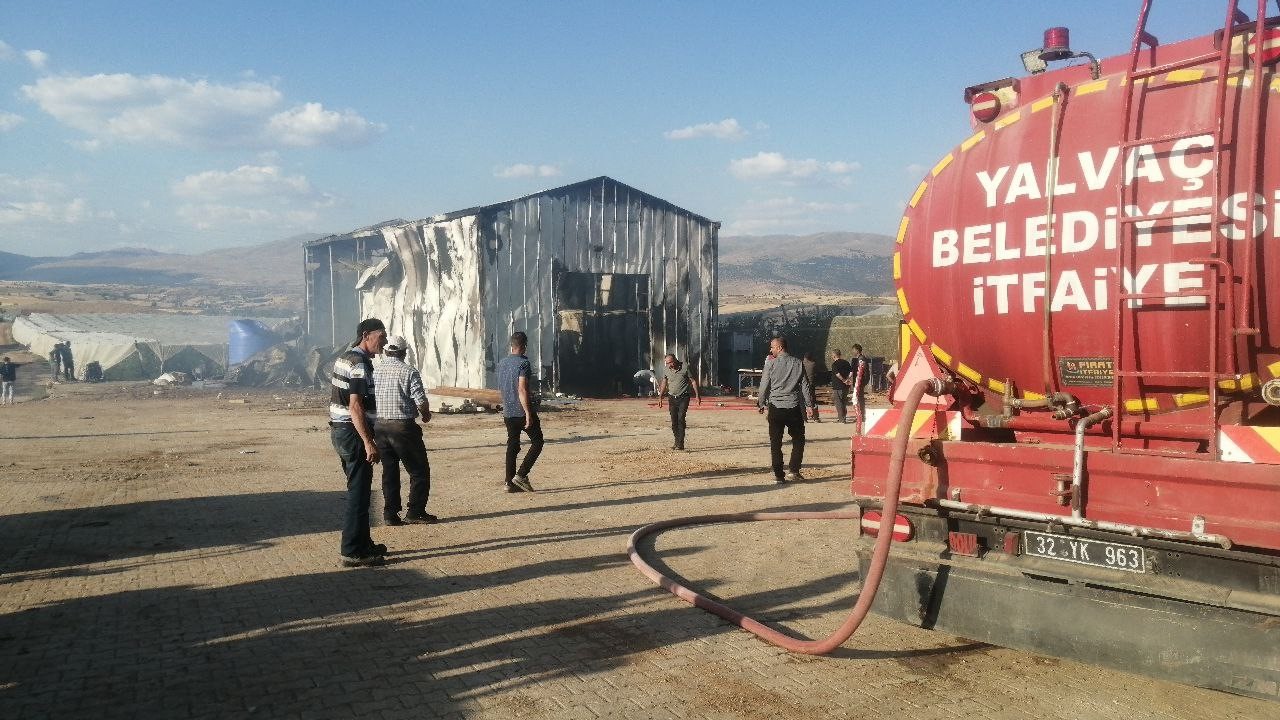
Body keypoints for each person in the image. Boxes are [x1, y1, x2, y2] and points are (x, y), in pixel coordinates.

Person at [330, 317, 389, 568]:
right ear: (366, 335)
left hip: (340, 431)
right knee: (359, 493)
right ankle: (352, 551)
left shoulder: (345, 358)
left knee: (361, 490)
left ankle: (364, 543)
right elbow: (355, 406)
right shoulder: (359, 364)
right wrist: (368, 441)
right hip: (352, 433)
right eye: (381, 336)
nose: (384, 342)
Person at [373, 334, 437, 526]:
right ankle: (415, 512)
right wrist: (425, 414)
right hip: (403, 429)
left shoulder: (376, 371)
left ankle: (390, 514)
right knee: (418, 471)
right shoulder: (409, 371)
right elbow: (420, 400)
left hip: (380, 427)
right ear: (403, 352)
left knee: (389, 472)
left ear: (386, 351)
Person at [757, 337, 814, 484]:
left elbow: (764, 385)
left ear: (780, 348)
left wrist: (761, 403)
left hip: (775, 407)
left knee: (775, 442)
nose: (771, 350)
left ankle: (778, 475)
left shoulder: (771, 363)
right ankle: (794, 470)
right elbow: (805, 386)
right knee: (798, 440)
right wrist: (809, 405)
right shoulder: (798, 363)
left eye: (772, 348)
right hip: (793, 407)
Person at [497, 331, 543, 492]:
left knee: (513, 445)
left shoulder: (502, 363)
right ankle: (521, 475)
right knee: (537, 442)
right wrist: (528, 413)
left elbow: (503, 387)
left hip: (508, 411)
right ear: (524, 347)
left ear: (511, 345)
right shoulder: (524, 363)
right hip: (521, 411)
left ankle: (509, 483)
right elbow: (522, 389)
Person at [656, 354, 701, 450]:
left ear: (675, 360)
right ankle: (676, 441)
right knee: (674, 421)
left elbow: (693, 381)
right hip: (672, 397)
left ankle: (680, 443)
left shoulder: (685, 367)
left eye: (671, 362)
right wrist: (660, 396)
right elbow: (664, 382)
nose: (669, 365)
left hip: (684, 397)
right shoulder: (666, 369)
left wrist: (697, 395)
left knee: (681, 419)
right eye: (667, 363)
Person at [830, 349, 853, 424]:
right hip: (845, 386)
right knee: (843, 402)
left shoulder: (834, 364)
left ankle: (841, 419)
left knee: (838, 403)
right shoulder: (846, 362)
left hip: (838, 386)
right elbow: (851, 372)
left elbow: (838, 374)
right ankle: (844, 417)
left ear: (834, 355)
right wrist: (847, 379)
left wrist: (843, 380)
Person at [850, 343, 869, 434]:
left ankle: (861, 415)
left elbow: (862, 370)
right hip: (860, 381)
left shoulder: (861, 359)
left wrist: (858, 382)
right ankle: (861, 415)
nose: (852, 351)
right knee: (860, 398)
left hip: (860, 381)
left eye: (853, 350)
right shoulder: (860, 358)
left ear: (857, 350)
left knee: (859, 399)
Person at [801, 352, 821, 422]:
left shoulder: (802, 364)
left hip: (803, 384)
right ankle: (816, 417)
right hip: (811, 384)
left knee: (803, 400)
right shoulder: (813, 364)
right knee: (813, 400)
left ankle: (804, 418)